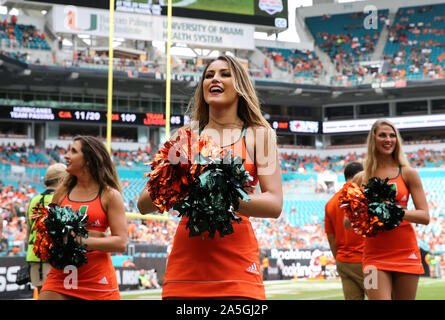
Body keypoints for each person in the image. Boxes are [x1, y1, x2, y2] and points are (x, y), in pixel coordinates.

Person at [138, 55, 283, 300]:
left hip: (237, 265)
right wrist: (177, 179)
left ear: (240, 86)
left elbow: (274, 204)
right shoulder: (184, 137)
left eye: (225, 74)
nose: (215, 78)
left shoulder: (260, 135)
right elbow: (143, 204)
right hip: (186, 266)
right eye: (209, 75)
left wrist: (219, 194)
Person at [345, 119, 429, 300]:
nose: (388, 139)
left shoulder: (408, 173)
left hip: (406, 253)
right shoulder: (360, 178)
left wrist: (394, 210)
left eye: (392, 136)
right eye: (382, 135)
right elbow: (347, 223)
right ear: (373, 139)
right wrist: (367, 208)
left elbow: (425, 216)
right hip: (372, 257)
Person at [39, 136, 128, 300]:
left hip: (98, 281)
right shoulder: (61, 192)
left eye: (73, 151)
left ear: (88, 160)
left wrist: (81, 241)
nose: (66, 156)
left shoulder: (110, 195)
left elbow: (121, 242)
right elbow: (49, 230)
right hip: (61, 276)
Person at [325, 161, 365, 300]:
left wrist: (339, 258)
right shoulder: (363, 195)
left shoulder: (331, 202)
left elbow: (331, 237)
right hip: (365, 260)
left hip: (344, 261)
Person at [26, 163, 67, 294]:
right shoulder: (61, 199)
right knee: (55, 293)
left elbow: (29, 231)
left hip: (34, 255)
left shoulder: (34, 200)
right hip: (53, 256)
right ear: (62, 179)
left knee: (41, 292)